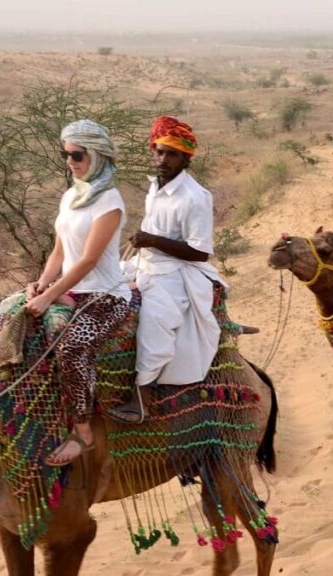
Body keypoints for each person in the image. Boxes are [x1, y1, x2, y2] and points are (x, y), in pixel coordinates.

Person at [0, 119, 131, 467]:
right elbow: (59, 252)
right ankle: (15, 400)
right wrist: (41, 283)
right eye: (66, 155)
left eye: (77, 155)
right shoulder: (72, 195)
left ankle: (83, 432)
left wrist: (49, 296)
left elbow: (89, 260)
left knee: (71, 349)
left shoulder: (109, 201)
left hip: (104, 295)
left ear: (96, 156)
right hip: (68, 289)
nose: (70, 162)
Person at [108, 117, 226, 424]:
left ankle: (142, 398)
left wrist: (152, 240)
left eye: (172, 154)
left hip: (176, 272)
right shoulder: (155, 186)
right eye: (159, 152)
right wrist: (146, 240)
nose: (163, 159)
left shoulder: (195, 197)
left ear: (186, 158)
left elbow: (200, 251)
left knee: (155, 321)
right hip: (145, 263)